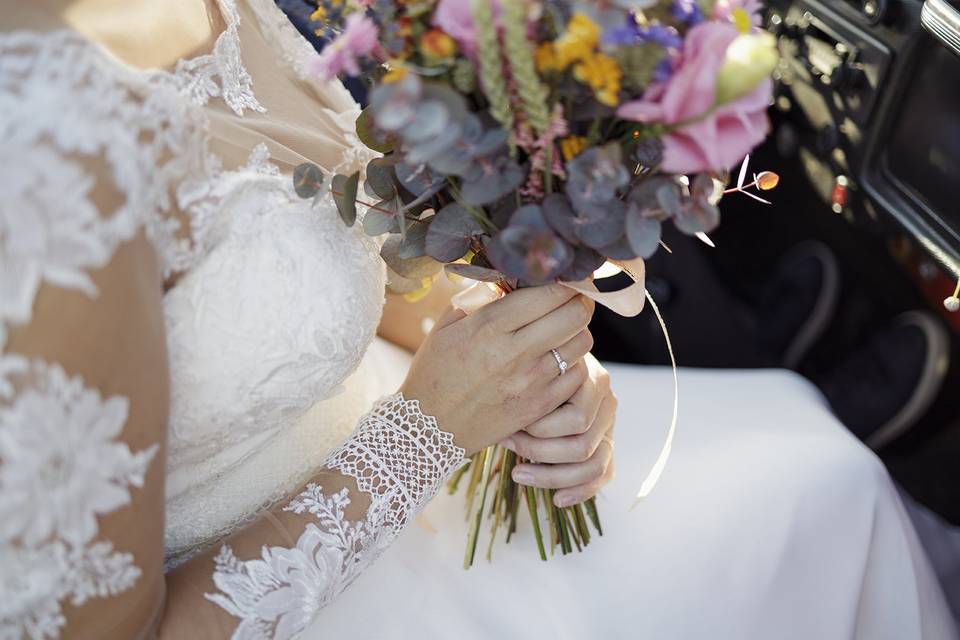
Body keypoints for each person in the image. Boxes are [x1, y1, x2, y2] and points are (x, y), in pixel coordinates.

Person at [0, 1, 955, 639]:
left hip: (410, 428)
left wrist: (511, 360)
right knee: (813, 501)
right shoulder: (40, 161)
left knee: (817, 462)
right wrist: (427, 434)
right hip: (303, 582)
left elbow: (348, 253)